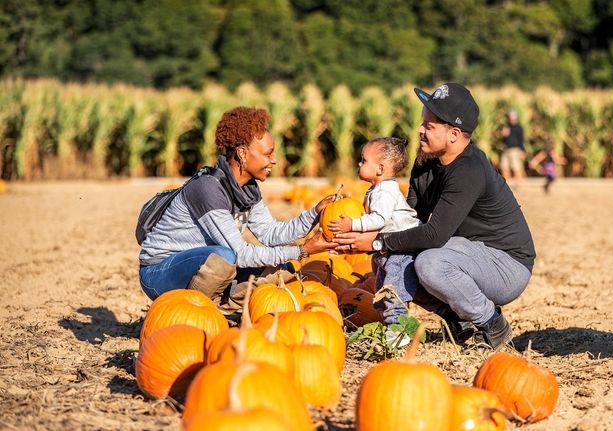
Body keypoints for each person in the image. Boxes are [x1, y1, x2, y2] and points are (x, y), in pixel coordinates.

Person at [334, 83, 536, 350]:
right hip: (466, 254)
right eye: (422, 123)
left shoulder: (469, 169)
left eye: (429, 126)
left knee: (429, 262)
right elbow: (409, 221)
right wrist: (371, 235)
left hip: (506, 265)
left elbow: (434, 234)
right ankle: (457, 321)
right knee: (391, 260)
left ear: (453, 134)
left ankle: (493, 325)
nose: (420, 130)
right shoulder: (425, 163)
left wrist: (376, 241)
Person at [138, 107, 338, 309]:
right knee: (223, 257)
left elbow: (271, 234)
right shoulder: (208, 189)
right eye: (268, 154)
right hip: (159, 271)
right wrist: (302, 251)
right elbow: (239, 253)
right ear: (242, 153)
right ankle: (197, 311)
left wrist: (314, 214)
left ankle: (226, 306)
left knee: (282, 270)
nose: (274, 160)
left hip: (207, 266)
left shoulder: (248, 189)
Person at [328, 137, 421, 326]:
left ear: (380, 169)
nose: (359, 163)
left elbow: (380, 219)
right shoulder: (377, 189)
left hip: (401, 249)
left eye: (363, 161)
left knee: (393, 288)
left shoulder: (385, 192)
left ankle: (398, 326)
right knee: (380, 286)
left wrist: (352, 224)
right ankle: (385, 319)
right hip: (389, 246)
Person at [498, 109, 526, 186]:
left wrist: (522, 150)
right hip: (506, 149)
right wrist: (503, 134)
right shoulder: (507, 126)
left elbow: (522, 140)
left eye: (513, 116)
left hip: (515, 150)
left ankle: (518, 184)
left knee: (516, 167)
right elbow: (504, 139)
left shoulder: (519, 127)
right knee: (504, 167)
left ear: (516, 117)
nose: (511, 118)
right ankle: (507, 185)